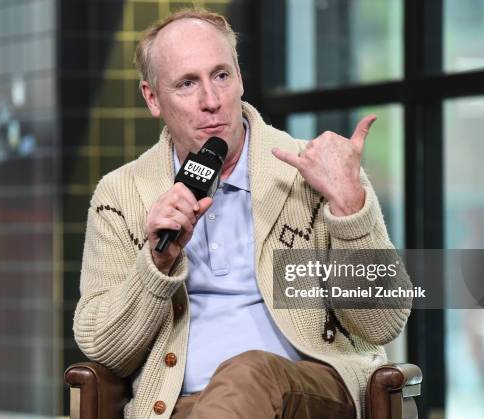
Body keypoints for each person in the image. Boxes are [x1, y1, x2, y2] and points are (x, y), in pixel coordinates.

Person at [73, 8, 410, 419]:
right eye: (186, 84)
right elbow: (106, 350)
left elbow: (383, 325)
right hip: (180, 407)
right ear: (152, 98)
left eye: (221, 76)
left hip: (308, 392)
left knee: (248, 372)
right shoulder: (121, 195)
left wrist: (350, 210)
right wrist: (156, 264)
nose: (211, 101)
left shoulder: (317, 173)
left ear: (240, 78)